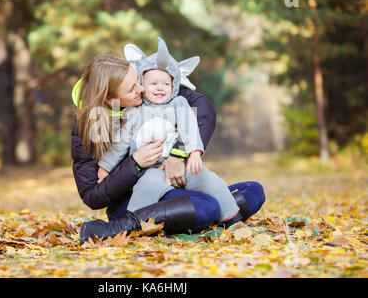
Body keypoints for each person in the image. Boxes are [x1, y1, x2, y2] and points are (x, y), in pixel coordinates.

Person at [71, 53, 265, 245]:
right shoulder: (87, 126)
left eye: (138, 80)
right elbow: (92, 195)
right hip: (135, 198)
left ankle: (200, 217)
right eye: (132, 89)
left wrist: (177, 154)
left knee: (252, 191)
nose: (141, 88)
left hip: (175, 186)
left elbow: (202, 107)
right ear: (108, 99)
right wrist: (136, 163)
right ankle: (118, 228)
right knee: (208, 205)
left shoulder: (155, 91)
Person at [97, 38, 241, 227]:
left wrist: (195, 152)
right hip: (150, 170)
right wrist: (105, 167)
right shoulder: (134, 112)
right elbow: (121, 143)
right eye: (153, 83)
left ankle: (234, 221)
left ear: (174, 86)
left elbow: (189, 128)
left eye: (166, 84)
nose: (160, 88)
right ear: (142, 85)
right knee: (146, 188)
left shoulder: (179, 104)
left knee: (211, 182)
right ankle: (129, 226)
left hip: (183, 164)